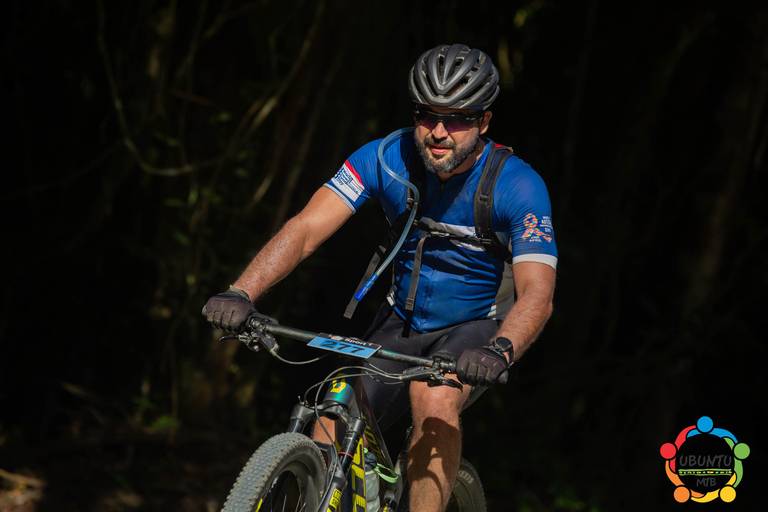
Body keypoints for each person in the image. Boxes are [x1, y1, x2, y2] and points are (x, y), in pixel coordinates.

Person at [203, 43, 557, 512]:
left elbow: (537, 294)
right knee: (332, 412)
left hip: (476, 328)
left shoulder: (518, 185)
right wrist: (241, 290)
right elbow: (306, 229)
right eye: (427, 115)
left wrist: (500, 350)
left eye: (457, 119)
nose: (439, 132)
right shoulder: (384, 157)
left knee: (433, 399)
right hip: (401, 320)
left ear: (484, 122)